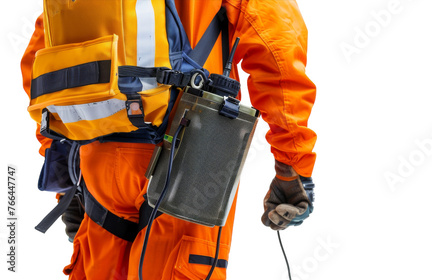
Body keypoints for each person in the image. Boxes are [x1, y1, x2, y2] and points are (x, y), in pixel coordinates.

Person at [21, 0, 317, 279]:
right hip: (193, 151)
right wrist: (291, 165)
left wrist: (65, 179)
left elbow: (44, 63)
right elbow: (277, 47)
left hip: (99, 157)